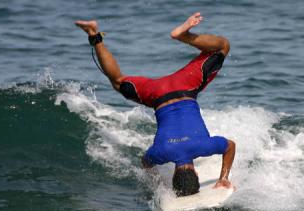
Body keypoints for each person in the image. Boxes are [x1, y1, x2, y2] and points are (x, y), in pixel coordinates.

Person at [76, 12, 236, 196]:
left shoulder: (204, 146)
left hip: (185, 85)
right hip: (157, 94)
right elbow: (145, 162)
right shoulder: (160, 153)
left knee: (223, 47)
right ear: (175, 173)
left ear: (195, 172)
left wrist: (223, 178)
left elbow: (230, 146)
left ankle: (183, 36)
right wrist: (157, 182)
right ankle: (94, 35)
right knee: (118, 81)